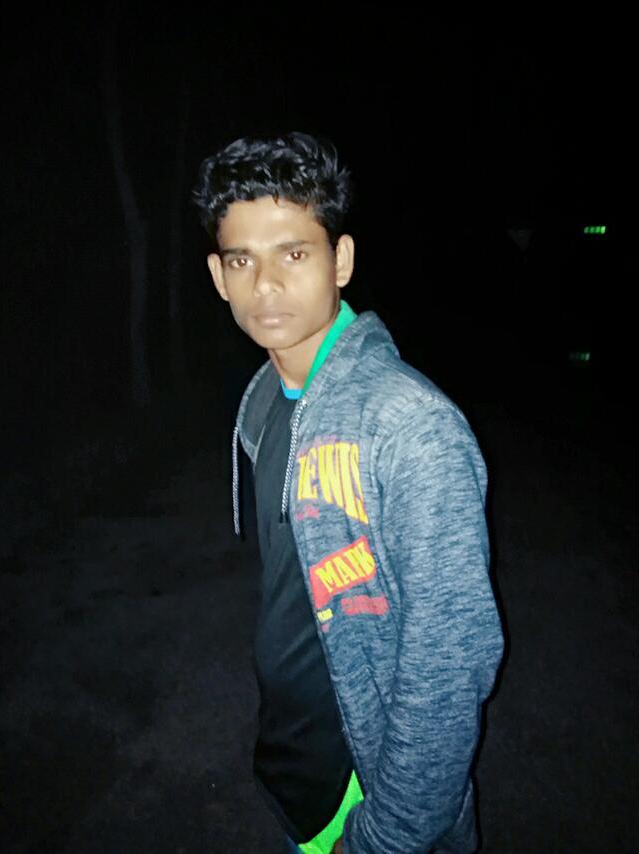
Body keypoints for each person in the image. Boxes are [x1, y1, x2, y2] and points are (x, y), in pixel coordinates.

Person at [193, 132, 503, 853]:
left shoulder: (410, 426)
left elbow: (450, 663)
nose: (265, 285)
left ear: (341, 260)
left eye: (294, 254)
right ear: (218, 275)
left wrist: (388, 834)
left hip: (365, 786)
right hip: (292, 761)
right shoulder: (265, 399)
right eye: (242, 259)